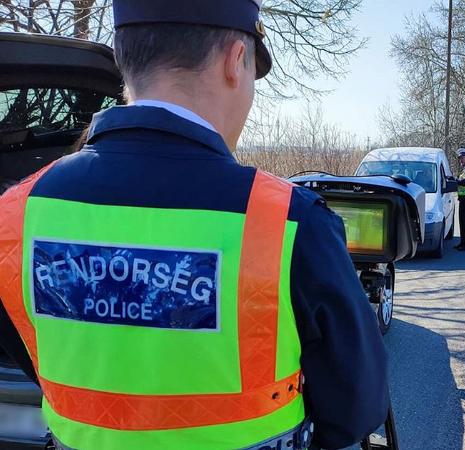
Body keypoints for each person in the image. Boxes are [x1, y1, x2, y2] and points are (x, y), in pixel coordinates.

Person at [0, 1, 389, 449]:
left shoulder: (15, 215)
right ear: (235, 60)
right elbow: (357, 409)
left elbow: (31, 353)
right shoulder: (288, 220)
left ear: (124, 59)